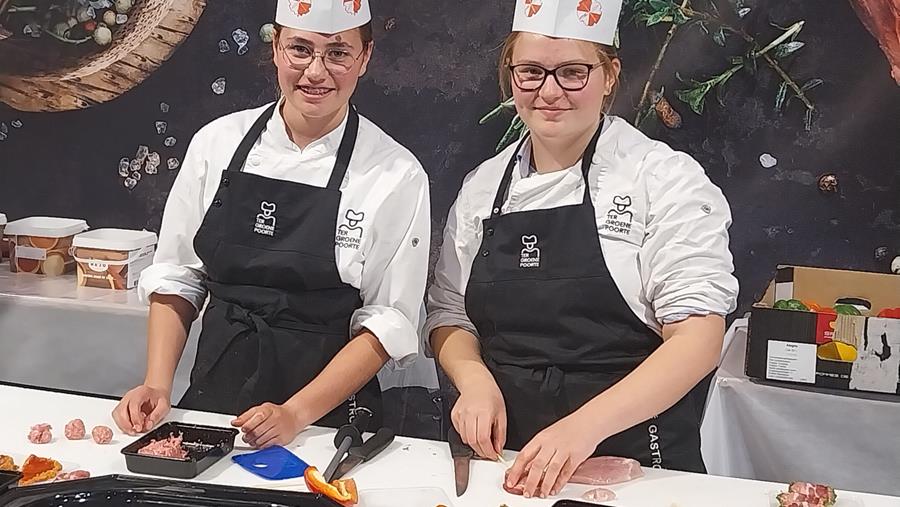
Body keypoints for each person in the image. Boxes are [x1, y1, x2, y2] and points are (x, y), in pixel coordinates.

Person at [426, 0, 739, 498]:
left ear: (610, 74)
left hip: (635, 461)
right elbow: (449, 316)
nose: (550, 92)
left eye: (573, 72)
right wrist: (473, 378)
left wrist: (582, 429)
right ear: (510, 77)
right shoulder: (483, 188)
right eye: (530, 72)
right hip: (503, 463)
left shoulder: (662, 178)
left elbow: (697, 339)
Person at [112, 0, 431, 450]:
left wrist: (295, 414)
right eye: (300, 49)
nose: (315, 72)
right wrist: (157, 385)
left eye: (338, 53)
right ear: (276, 47)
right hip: (215, 399)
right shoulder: (216, 143)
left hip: (326, 420)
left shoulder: (396, 174)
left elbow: (387, 322)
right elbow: (179, 275)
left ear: (365, 58)